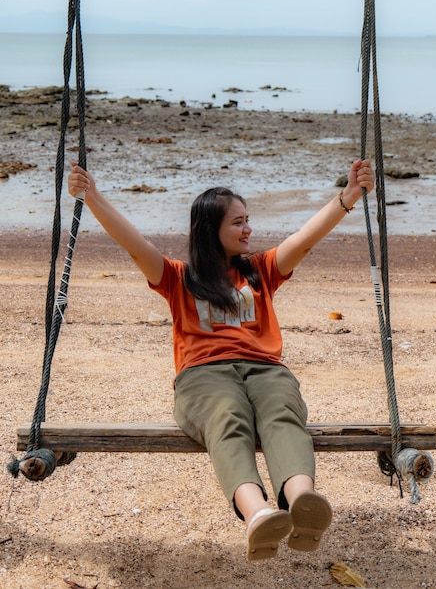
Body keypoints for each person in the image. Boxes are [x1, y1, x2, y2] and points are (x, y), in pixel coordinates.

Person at [68, 158, 374, 561]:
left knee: (281, 412)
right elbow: (133, 242)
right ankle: (258, 513)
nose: (248, 229)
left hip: (266, 369)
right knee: (226, 417)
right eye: (238, 223)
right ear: (210, 230)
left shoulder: (261, 270)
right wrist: (92, 196)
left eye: (248, 220)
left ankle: (302, 500)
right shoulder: (177, 277)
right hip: (203, 376)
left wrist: (349, 196)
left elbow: (303, 239)